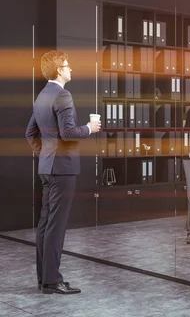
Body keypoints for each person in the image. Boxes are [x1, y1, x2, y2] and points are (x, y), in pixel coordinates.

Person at [25, 50, 101, 295]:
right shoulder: (63, 95)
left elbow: (30, 134)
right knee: (56, 226)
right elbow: (68, 133)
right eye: (68, 66)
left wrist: (46, 155)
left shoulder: (42, 96)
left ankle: (44, 279)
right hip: (62, 169)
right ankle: (52, 281)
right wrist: (89, 128)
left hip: (47, 168)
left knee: (45, 225)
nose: (71, 69)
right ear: (59, 70)